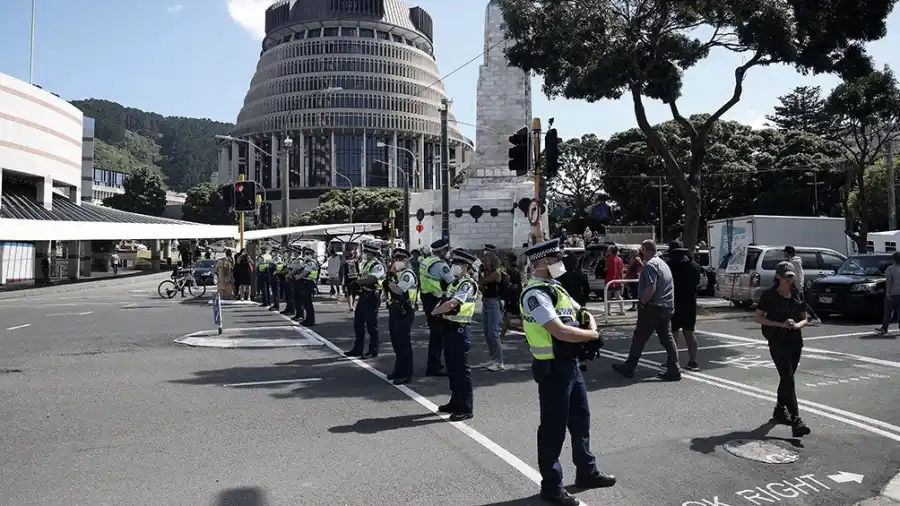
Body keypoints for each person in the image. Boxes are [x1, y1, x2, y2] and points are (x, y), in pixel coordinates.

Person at [519, 239, 616, 506]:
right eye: (555, 260)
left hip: (571, 366)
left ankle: (587, 471)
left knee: (581, 421)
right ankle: (551, 487)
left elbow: (582, 311)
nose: (560, 264)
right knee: (552, 430)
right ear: (541, 264)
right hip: (552, 370)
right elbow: (558, 330)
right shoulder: (534, 294)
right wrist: (592, 335)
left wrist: (592, 329)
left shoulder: (555, 288)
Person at [755, 261, 812, 437]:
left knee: (787, 379)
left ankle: (779, 410)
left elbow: (805, 318)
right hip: (777, 340)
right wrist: (779, 323)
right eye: (786, 277)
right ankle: (796, 419)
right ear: (778, 277)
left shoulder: (797, 294)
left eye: (791, 277)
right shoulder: (769, 296)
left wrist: (796, 325)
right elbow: (759, 318)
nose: (789, 280)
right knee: (788, 379)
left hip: (795, 341)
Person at [612, 239, 681, 381]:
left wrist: (643, 302)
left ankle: (629, 366)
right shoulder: (663, 264)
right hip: (667, 306)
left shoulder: (650, 265)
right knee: (667, 338)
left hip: (652, 307)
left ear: (644, 249)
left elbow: (651, 287)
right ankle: (674, 368)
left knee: (640, 337)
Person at [431, 248, 480, 422]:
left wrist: (435, 312)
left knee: (461, 370)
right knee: (452, 368)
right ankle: (456, 401)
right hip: (449, 327)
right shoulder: (455, 283)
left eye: (458, 263)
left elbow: (453, 303)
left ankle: (466, 407)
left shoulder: (467, 284)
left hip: (460, 329)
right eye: (454, 263)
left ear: (466, 266)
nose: (454, 266)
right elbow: (445, 298)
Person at [419, 239, 455, 376]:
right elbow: (451, 282)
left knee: (435, 333)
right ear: (442, 251)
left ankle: (434, 363)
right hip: (437, 300)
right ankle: (433, 367)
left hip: (427, 299)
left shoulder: (426, 261)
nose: (448, 253)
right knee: (438, 335)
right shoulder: (441, 265)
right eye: (447, 251)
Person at [346, 243, 386, 358]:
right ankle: (357, 349)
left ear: (371, 253)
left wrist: (358, 282)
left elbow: (372, 278)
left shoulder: (378, 265)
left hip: (372, 296)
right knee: (358, 324)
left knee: (371, 325)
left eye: (366, 253)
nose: (364, 254)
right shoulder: (366, 264)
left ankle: (373, 350)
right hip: (364, 295)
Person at [386, 248, 418, 385]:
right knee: (396, 342)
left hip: (405, 311)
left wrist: (388, 283)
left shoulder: (407, 274)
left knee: (404, 344)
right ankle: (399, 370)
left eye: (400, 259)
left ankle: (406, 373)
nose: (397, 262)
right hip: (396, 310)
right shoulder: (399, 274)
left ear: (406, 261)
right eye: (395, 259)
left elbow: (399, 290)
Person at [667, 241, 701, 371]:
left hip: (674, 301)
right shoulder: (694, 266)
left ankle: (672, 361)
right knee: (689, 332)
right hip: (690, 302)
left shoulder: (669, 265)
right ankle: (693, 361)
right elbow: (697, 283)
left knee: (672, 333)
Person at [557, 254, 591, 372]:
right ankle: (582, 361)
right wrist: (583, 301)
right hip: (580, 306)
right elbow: (587, 289)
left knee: (568, 333)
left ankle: (569, 358)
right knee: (582, 332)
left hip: (567, 308)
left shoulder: (562, 276)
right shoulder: (580, 274)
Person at [478, 244, 505, 371]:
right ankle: (493, 358)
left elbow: (485, 282)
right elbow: (481, 287)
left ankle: (500, 361)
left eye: (487, 257)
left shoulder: (497, 272)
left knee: (493, 333)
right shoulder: (486, 272)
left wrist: (482, 279)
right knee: (487, 333)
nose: (484, 259)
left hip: (494, 303)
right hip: (486, 301)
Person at [293, 247, 319, 326]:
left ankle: (310, 320)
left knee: (308, 304)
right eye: (305, 254)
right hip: (307, 283)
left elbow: (305, 272)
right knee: (306, 303)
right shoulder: (307, 262)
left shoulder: (311, 263)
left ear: (312, 255)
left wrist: (297, 277)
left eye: (308, 254)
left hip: (309, 283)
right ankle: (308, 319)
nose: (306, 255)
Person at [500, 252, 523, 339]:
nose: (505, 261)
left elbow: (515, 286)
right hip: (512, 297)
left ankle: (501, 337)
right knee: (519, 316)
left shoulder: (514, 272)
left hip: (514, 298)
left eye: (506, 259)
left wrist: (505, 285)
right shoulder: (510, 271)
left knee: (507, 317)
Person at [878, 251, 900, 334]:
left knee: (887, 311)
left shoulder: (890, 269)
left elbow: (889, 281)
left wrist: (887, 292)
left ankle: (885, 327)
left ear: (893, 259)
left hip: (893, 292)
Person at [604, 245, 626, 315]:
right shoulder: (620, 259)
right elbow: (622, 270)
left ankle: (608, 311)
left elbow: (607, 269)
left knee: (608, 297)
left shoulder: (608, 259)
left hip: (609, 279)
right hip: (618, 279)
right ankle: (622, 310)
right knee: (618, 296)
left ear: (610, 251)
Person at [342, 247, 360, 312]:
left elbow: (344, 273)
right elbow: (359, 271)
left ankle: (351, 306)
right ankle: (351, 306)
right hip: (354, 279)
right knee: (351, 293)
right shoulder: (355, 261)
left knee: (351, 293)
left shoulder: (346, 262)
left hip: (349, 279)